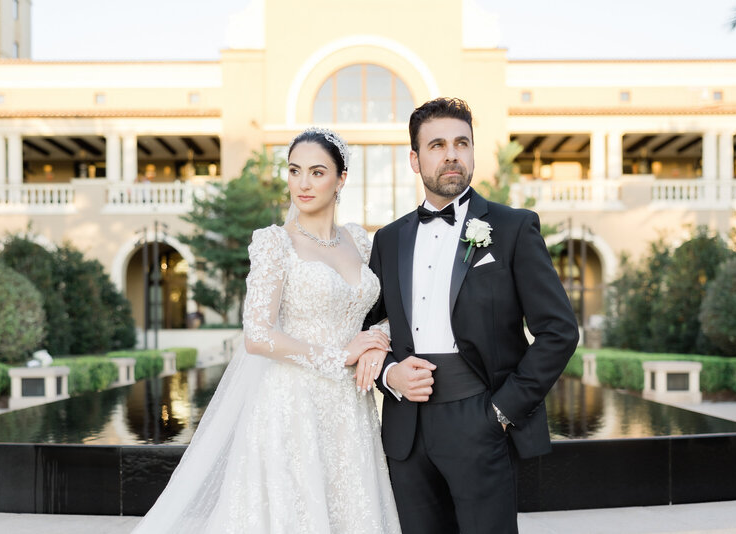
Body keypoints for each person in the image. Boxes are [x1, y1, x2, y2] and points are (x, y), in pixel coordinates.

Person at [133, 127, 401, 534]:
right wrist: (340, 355)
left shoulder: (360, 243)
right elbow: (257, 335)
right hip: (291, 403)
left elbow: (386, 311)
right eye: (295, 171)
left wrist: (377, 341)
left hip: (349, 405)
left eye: (317, 172)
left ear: (341, 178)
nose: (303, 184)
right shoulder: (275, 244)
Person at [364, 97, 579, 534]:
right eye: (437, 144)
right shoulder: (388, 240)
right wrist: (389, 376)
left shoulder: (514, 227)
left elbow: (559, 331)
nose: (451, 154)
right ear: (414, 158)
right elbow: (364, 327)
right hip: (407, 428)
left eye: (462, 143)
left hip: (481, 419)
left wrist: (502, 410)